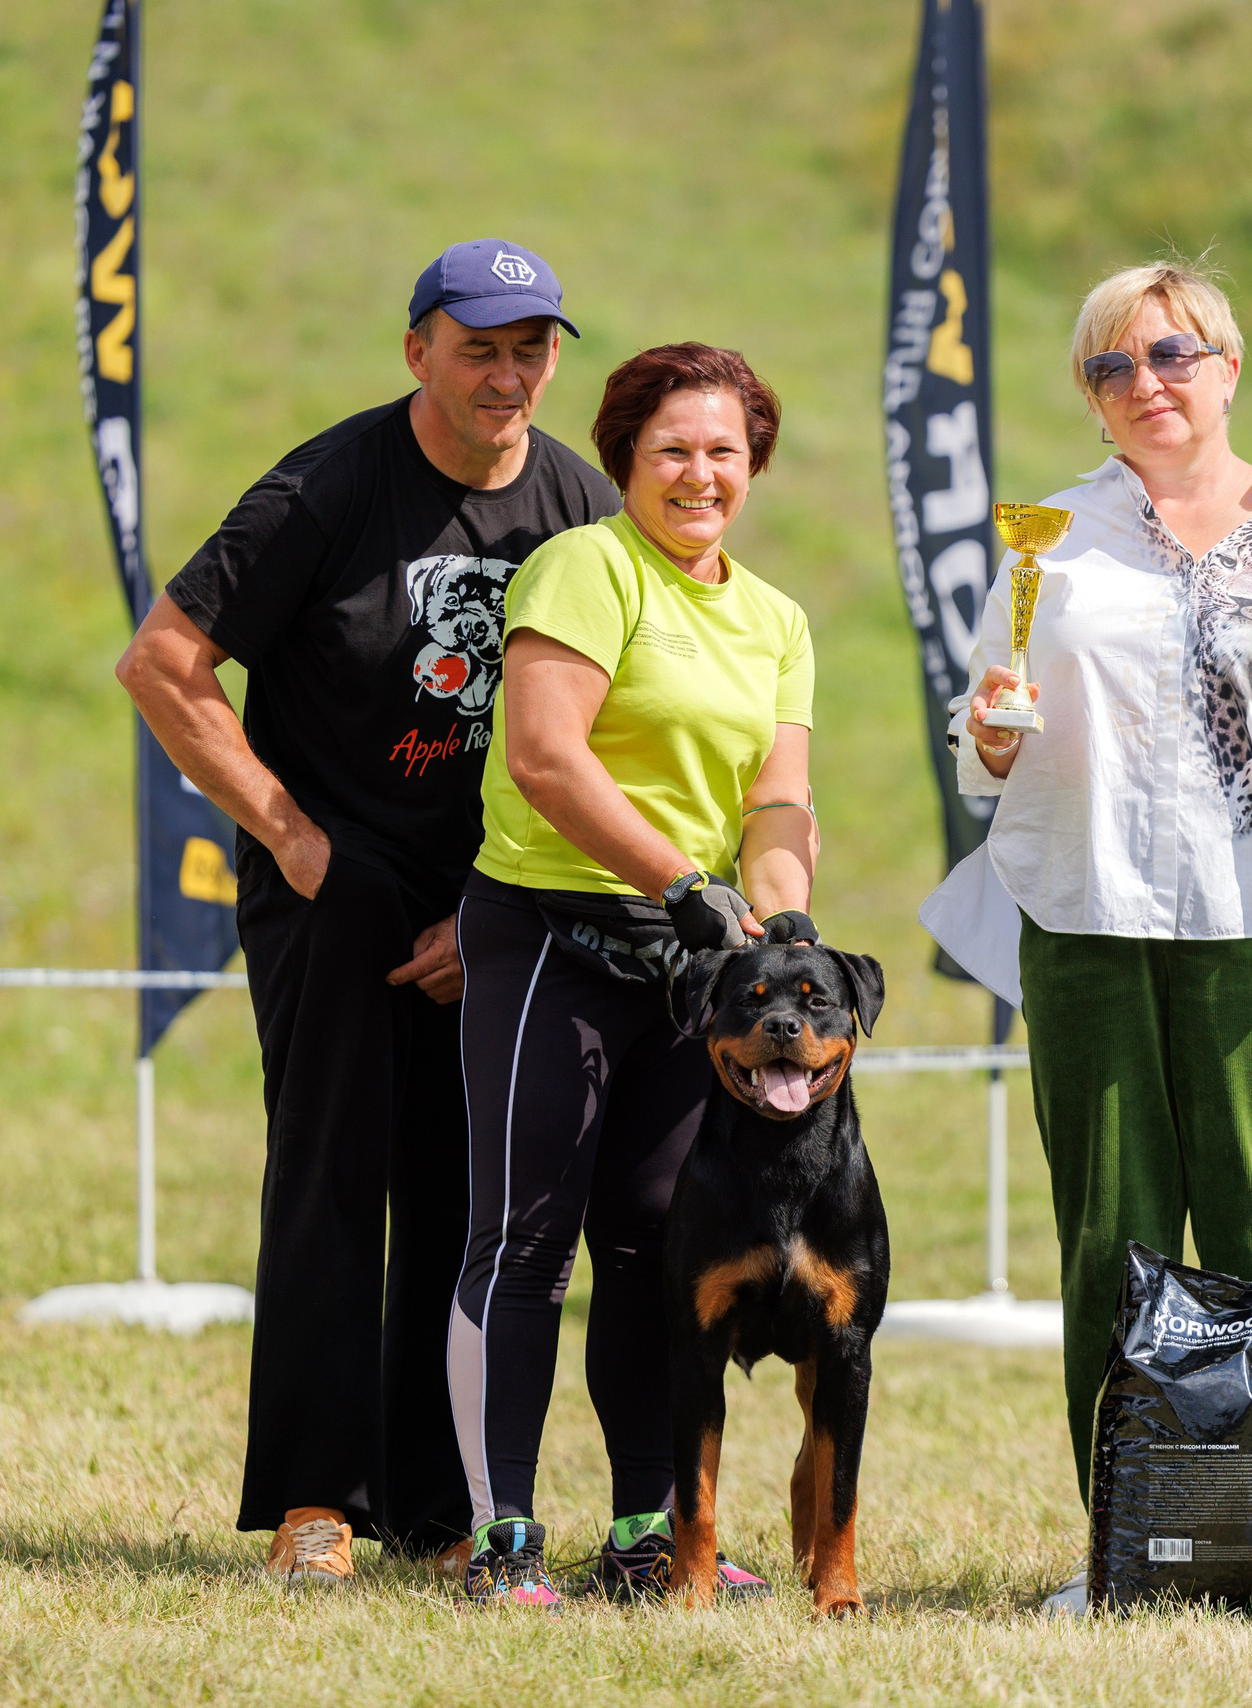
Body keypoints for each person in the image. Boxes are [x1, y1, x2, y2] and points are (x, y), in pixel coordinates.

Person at [919, 259, 1252, 1612]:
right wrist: (987, 735)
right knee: (1110, 1244)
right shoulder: (1052, 541)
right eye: (1110, 366)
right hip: (1084, 927)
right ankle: (1129, 1550)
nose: (1144, 384)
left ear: (1230, 367)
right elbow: (987, 748)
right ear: (1089, 395)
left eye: (1171, 356)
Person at [115, 240, 620, 1586]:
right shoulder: (327, 488)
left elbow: (610, 707)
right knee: (334, 1179)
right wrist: (288, 835)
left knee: (475, 1202)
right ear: (419, 353)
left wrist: (508, 907)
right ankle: (315, 1502)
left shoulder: (582, 504)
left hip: (501, 901)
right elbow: (163, 662)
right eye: (479, 347)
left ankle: (446, 1508)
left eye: (530, 348)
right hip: (330, 892)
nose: (507, 375)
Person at [441, 343, 819, 1607]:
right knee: (526, 1241)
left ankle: (646, 1531)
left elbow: (778, 801)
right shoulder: (585, 569)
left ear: (753, 462)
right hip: (552, 930)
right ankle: (500, 1538)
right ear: (626, 461)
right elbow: (547, 758)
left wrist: (783, 924)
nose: (700, 473)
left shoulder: (777, 621)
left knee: (656, 1247)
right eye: (673, 450)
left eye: (723, 450)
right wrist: (680, 879)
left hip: (687, 965)